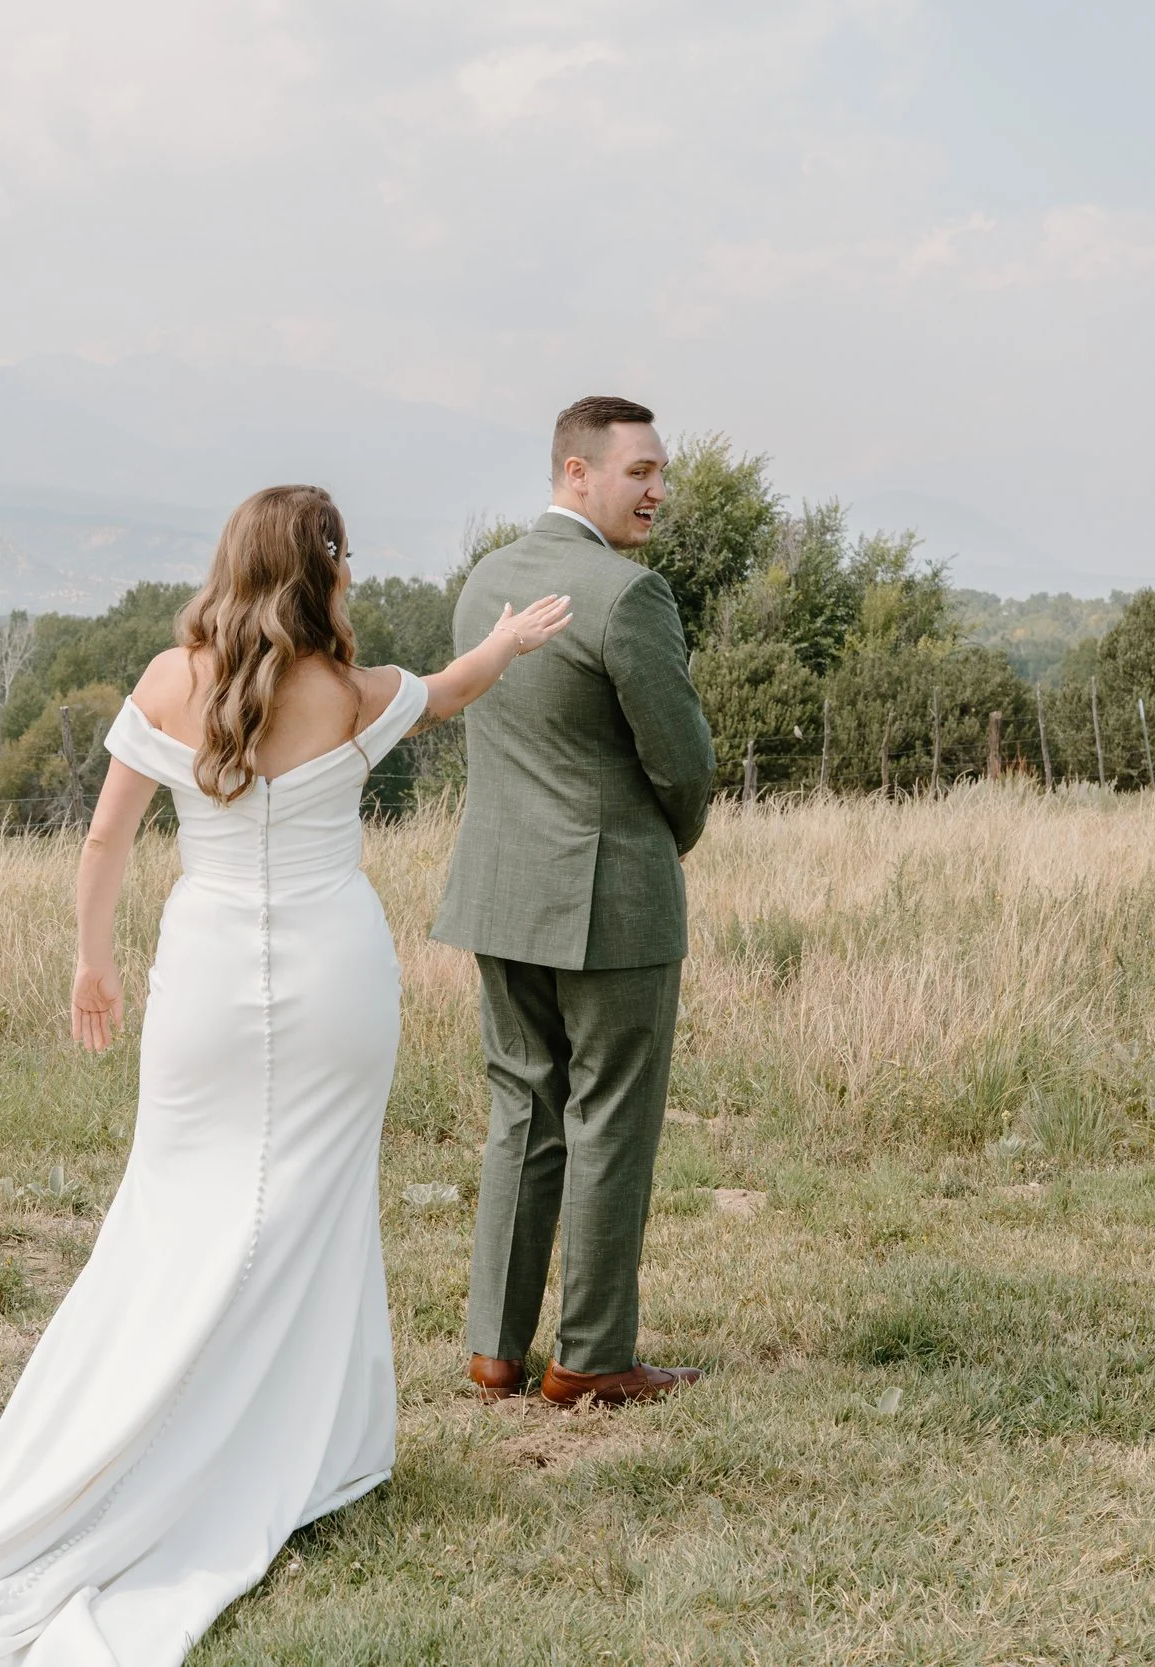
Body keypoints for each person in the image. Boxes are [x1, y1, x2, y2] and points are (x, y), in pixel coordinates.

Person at [0, 484, 570, 1667]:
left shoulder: (165, 678)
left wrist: (93, 962)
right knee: (310, 1206)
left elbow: (102, 839)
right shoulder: (353, 691)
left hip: (200, 983)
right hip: (336, 979)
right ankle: (305, 1441)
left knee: (176, 1205)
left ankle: (160, 1419)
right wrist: (503, 638)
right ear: (324, 569)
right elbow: (453, 689)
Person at [434, 395, 716, 1408]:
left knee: (521, 1111)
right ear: (575, 473)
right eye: (637, 470)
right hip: (609, 897)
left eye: (659, 471)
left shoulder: (484, 583)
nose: (656, 490)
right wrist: (664, 840)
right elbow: (683, 760)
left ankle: (494, 1350)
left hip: (499, 891)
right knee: (609, 1117)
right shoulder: (625, 596)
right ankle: (591, 1354)